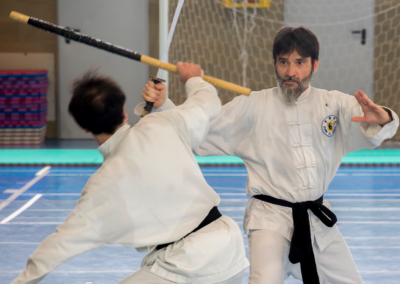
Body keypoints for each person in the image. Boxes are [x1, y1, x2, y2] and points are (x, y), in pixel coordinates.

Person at [137, 27, 399, 284]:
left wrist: (383, 118)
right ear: (275, 63)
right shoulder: (253, 106)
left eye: (299, 62)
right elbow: (199, 131)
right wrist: (164, 107)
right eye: (283, 62)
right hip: (269, 221)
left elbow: (373, 126)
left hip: (316, 221)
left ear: (315, 65)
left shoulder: (334, 104)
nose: (290, 71)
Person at [12, 62, 249, 284]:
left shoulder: (101, 185)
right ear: (124, 111)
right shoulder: (163, 123)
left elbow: (58, 247)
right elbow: (206, 103)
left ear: (85, 127)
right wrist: (194, 79)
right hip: (230, 251)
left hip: (187, 267)